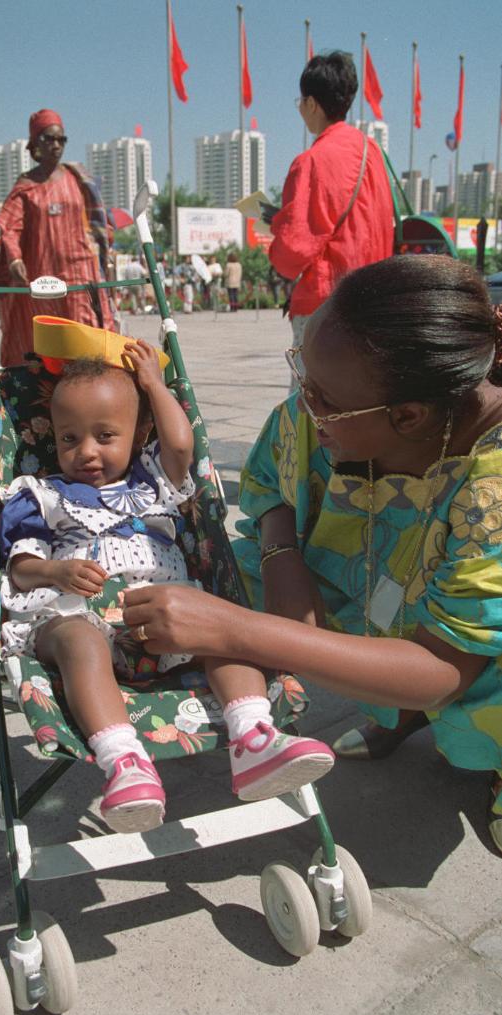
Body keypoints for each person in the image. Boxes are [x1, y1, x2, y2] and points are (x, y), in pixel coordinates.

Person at [123, 256, 502, 856]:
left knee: (476, 682)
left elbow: (445, 668)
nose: (304, 404)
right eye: (302, 373)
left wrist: (240, 630)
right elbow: (274, 475)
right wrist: (282, 554)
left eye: (321, 398)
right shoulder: (339, 403)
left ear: (408, 416)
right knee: (228, 572)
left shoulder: (493, 489)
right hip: (395, 594)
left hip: (471, 653)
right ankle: (398, 712)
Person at [0, 322, 334, 835]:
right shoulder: (41, 496)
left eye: (105, 436)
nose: (86, 451)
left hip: (165, 616)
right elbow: (20, 569)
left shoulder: (152, 481)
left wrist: (155, 386)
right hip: (77, 612)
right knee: (79, 639)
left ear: (138, 435)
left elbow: (181, 444)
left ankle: (253, 736)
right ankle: (125, 762)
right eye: (69, 438)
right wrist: (55, 570)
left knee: (221, 629)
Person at [267, 52, 393, 350]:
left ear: (312, 103)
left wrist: (277, 234)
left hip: (326, 305)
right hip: (372, 303)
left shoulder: (311, 161)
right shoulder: (372, 152)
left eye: (301, 102)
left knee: (314, 381)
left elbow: (293, 250)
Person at [0, 109, 115, 366]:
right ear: (35, 143)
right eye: (49, 139)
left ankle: (89, 388)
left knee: (86, 339)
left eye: (61, 139)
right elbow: (10, 227)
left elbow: (98, 221)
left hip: (80, 272)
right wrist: (14, 259)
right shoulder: (26, 186)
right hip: (42, 276)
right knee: (44, 342)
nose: (56, 145)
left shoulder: (78, 178)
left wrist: (104, 250)